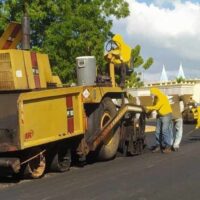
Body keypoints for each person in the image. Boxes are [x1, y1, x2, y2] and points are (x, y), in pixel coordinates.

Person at [146, 87, 173, 153]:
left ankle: (168, 146)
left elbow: (157, 107)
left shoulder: (162, 97)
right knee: (157, 131)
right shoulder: (156, 98)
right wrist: (148, 113)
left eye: (152, 93)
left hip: (166, 115)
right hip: (160, 115)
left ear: (156, 92)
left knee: (164, 131)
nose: (151, 95)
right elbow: (153, 105)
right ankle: (158, 145)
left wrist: (146, 107)